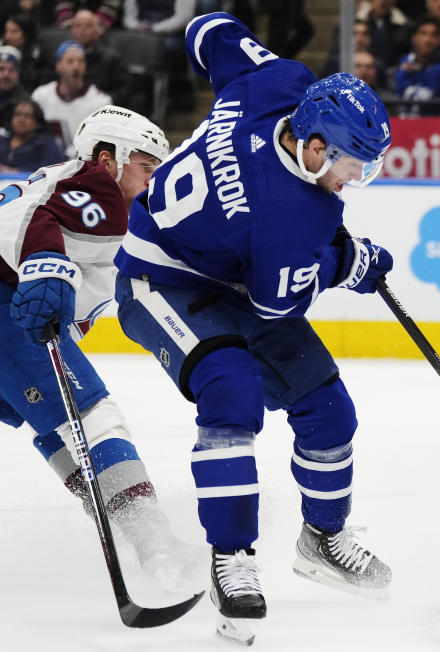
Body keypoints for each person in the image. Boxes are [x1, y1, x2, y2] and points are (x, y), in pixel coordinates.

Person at [112, 13, 394, 645]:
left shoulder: (274, 84)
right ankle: (231, 557)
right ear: (317, 147)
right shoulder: (289, 220)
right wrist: (350, 262)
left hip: (232, 270)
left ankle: (322, 537)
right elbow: (276, 305)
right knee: (233, 392)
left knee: (328, 408)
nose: (357, 180)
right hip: (163, 282)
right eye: (354, 165)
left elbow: (207, 29)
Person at [0, 104, 206, 592]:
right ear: (109, 158)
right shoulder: (97, 184)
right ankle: (152, 541)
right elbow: (27, 212)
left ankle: (128, 525)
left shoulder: (105, 202)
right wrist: (45, 261)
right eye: (146, 164)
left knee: (49, 422)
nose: (154, 178)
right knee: (95, 414)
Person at [31, 40, 110, 156]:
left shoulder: (101, 101)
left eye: (80, 61)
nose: (76, 66)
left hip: (81, 167)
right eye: (70, 61)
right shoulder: (41, 96)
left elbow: (100, 145)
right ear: (58, 66)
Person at [394, 14, 440, 117]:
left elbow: (428, 98)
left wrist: (418, 71)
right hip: (404, 122)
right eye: (423, 34)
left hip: (435, 124)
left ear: (439, 40)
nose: (428, 40)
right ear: (414, 38)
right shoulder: (405, 61)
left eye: (433, 35)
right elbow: (400, 89)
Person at [0, 99, 64, 170]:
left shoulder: (47, 144)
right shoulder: (2, 140)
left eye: (27, 116)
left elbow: (52, 170)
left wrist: (16, 172)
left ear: (37, 122)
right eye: (17, 114)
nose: (21, 119)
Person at [0, 43, 28, 126]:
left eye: (11, 70)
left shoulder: (25, 103)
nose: (6, 75)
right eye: (1, 69)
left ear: (18, 73)